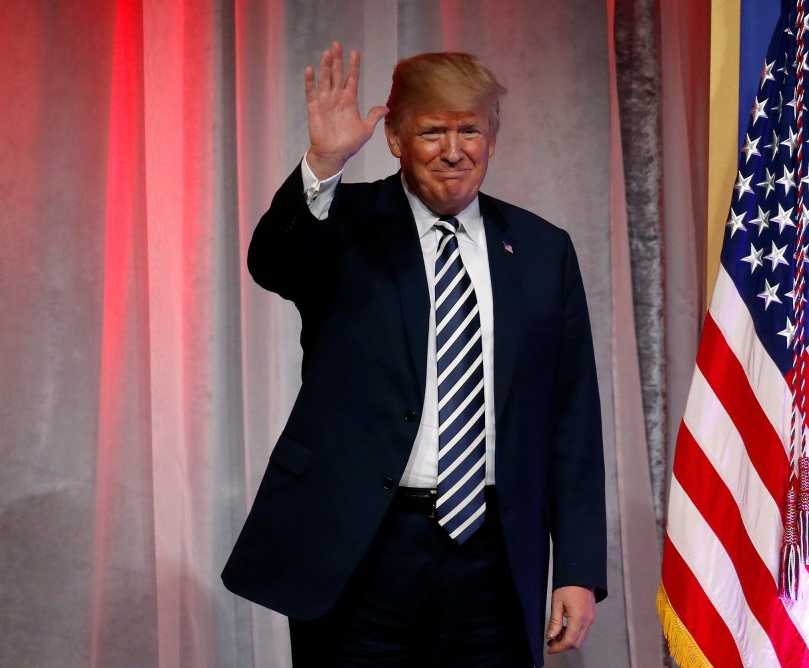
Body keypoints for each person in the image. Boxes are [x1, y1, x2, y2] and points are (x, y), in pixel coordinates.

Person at [222, 41, 607, 667]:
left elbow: (573, 418)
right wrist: (324, 162)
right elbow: (273, 262)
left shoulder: (543, 250)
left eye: (469, 130)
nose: (454, 151)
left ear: (492, 139)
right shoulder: (343, 226)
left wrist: (577, 568)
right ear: (396, 139)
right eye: (432, 131)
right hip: (362, 550)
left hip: (494, 555)